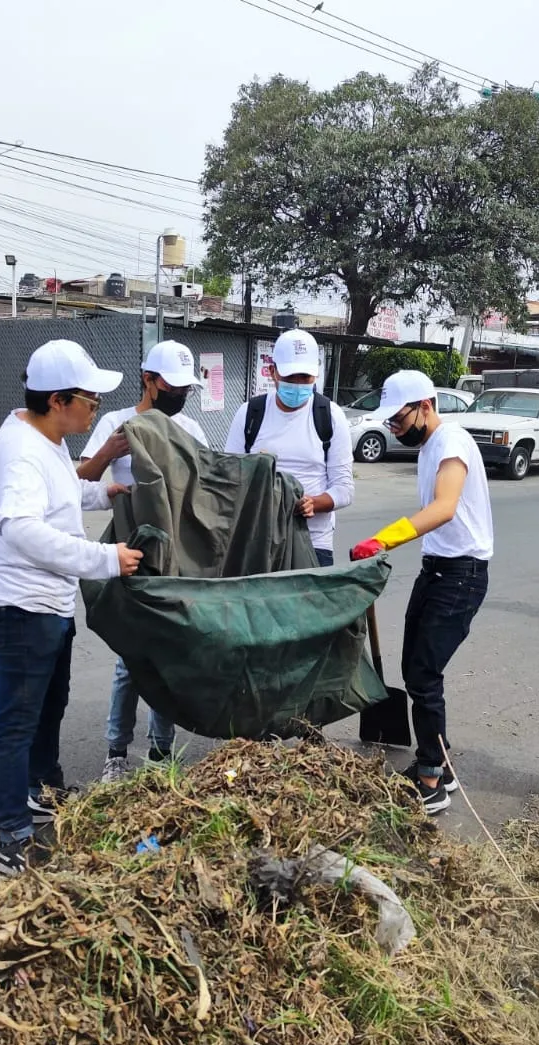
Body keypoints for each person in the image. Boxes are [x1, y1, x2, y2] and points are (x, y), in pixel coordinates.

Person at [0, 340, 144, 877]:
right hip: (16, 604)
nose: (95, 408)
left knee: (48, 705)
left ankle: (43, 789)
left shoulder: (46, 437)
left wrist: (104, 493)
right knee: (17, 719)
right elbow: (20, 526)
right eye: (89, 399)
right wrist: (103, 558)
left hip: (47, 602)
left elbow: (61, 495)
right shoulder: (21, 449)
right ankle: (11, 836)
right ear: (59, 399)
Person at [350, 370, 494, 815]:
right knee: (415, 670)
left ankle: (430, 777)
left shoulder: (451, 441)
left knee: (424, 676)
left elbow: (444, 508)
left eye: (398, 419)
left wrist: (384, 539)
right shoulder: (432, 446)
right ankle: (440, 762)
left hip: (462, 574)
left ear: (425, 407)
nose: (393, 427)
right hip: (437, 570)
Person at [78, 340, 208, 784]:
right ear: (148, 380)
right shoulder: (117, 424)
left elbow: (210, 486)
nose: (179, 395)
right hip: (129, 554)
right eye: (171, 386)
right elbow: (80, 483)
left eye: (185, 388)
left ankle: (160, 752)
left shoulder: (190, 428)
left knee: (168, 656)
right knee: (129, 659)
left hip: (178, 557)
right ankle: (117, 752)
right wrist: (112, 460)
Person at [225, 330, 354, 565]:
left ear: (316, 374)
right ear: (272, 371)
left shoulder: (329, 416)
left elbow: (344, 489)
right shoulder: (250, 413)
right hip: (257, 542)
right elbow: (231, 478)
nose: (297, 384)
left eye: (305, 377)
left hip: (313, 543)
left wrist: (312, 503)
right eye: (290, 376)